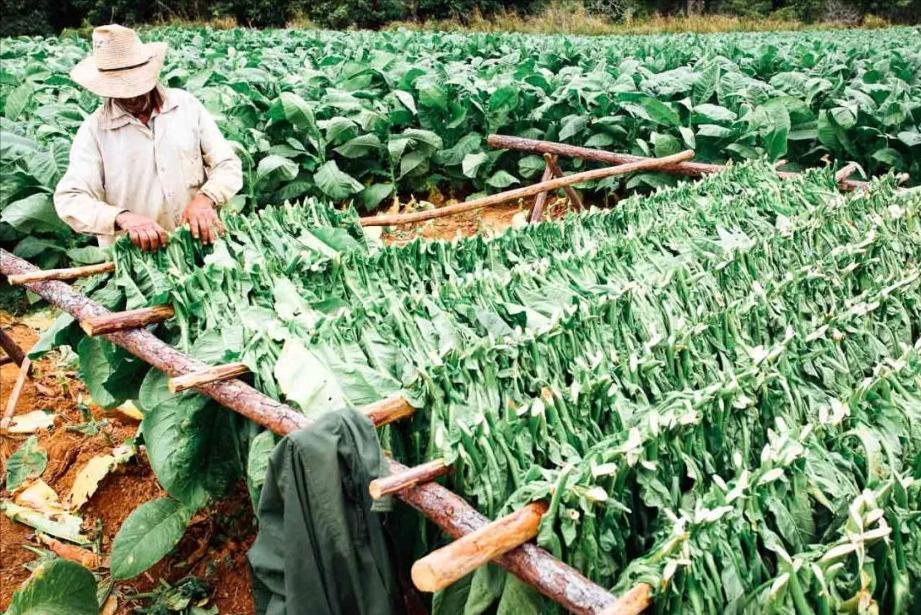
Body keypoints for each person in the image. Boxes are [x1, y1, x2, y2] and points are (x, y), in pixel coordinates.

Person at [54, 24, 242, 251]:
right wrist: (122, 217)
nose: (130, 97)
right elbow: (70, 199)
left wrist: (206, 199)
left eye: (135, 86)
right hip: (140, 263)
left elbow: (227, 164)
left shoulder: (186, 107)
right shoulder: (94, 131)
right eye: (119, 90)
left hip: (202, 245)